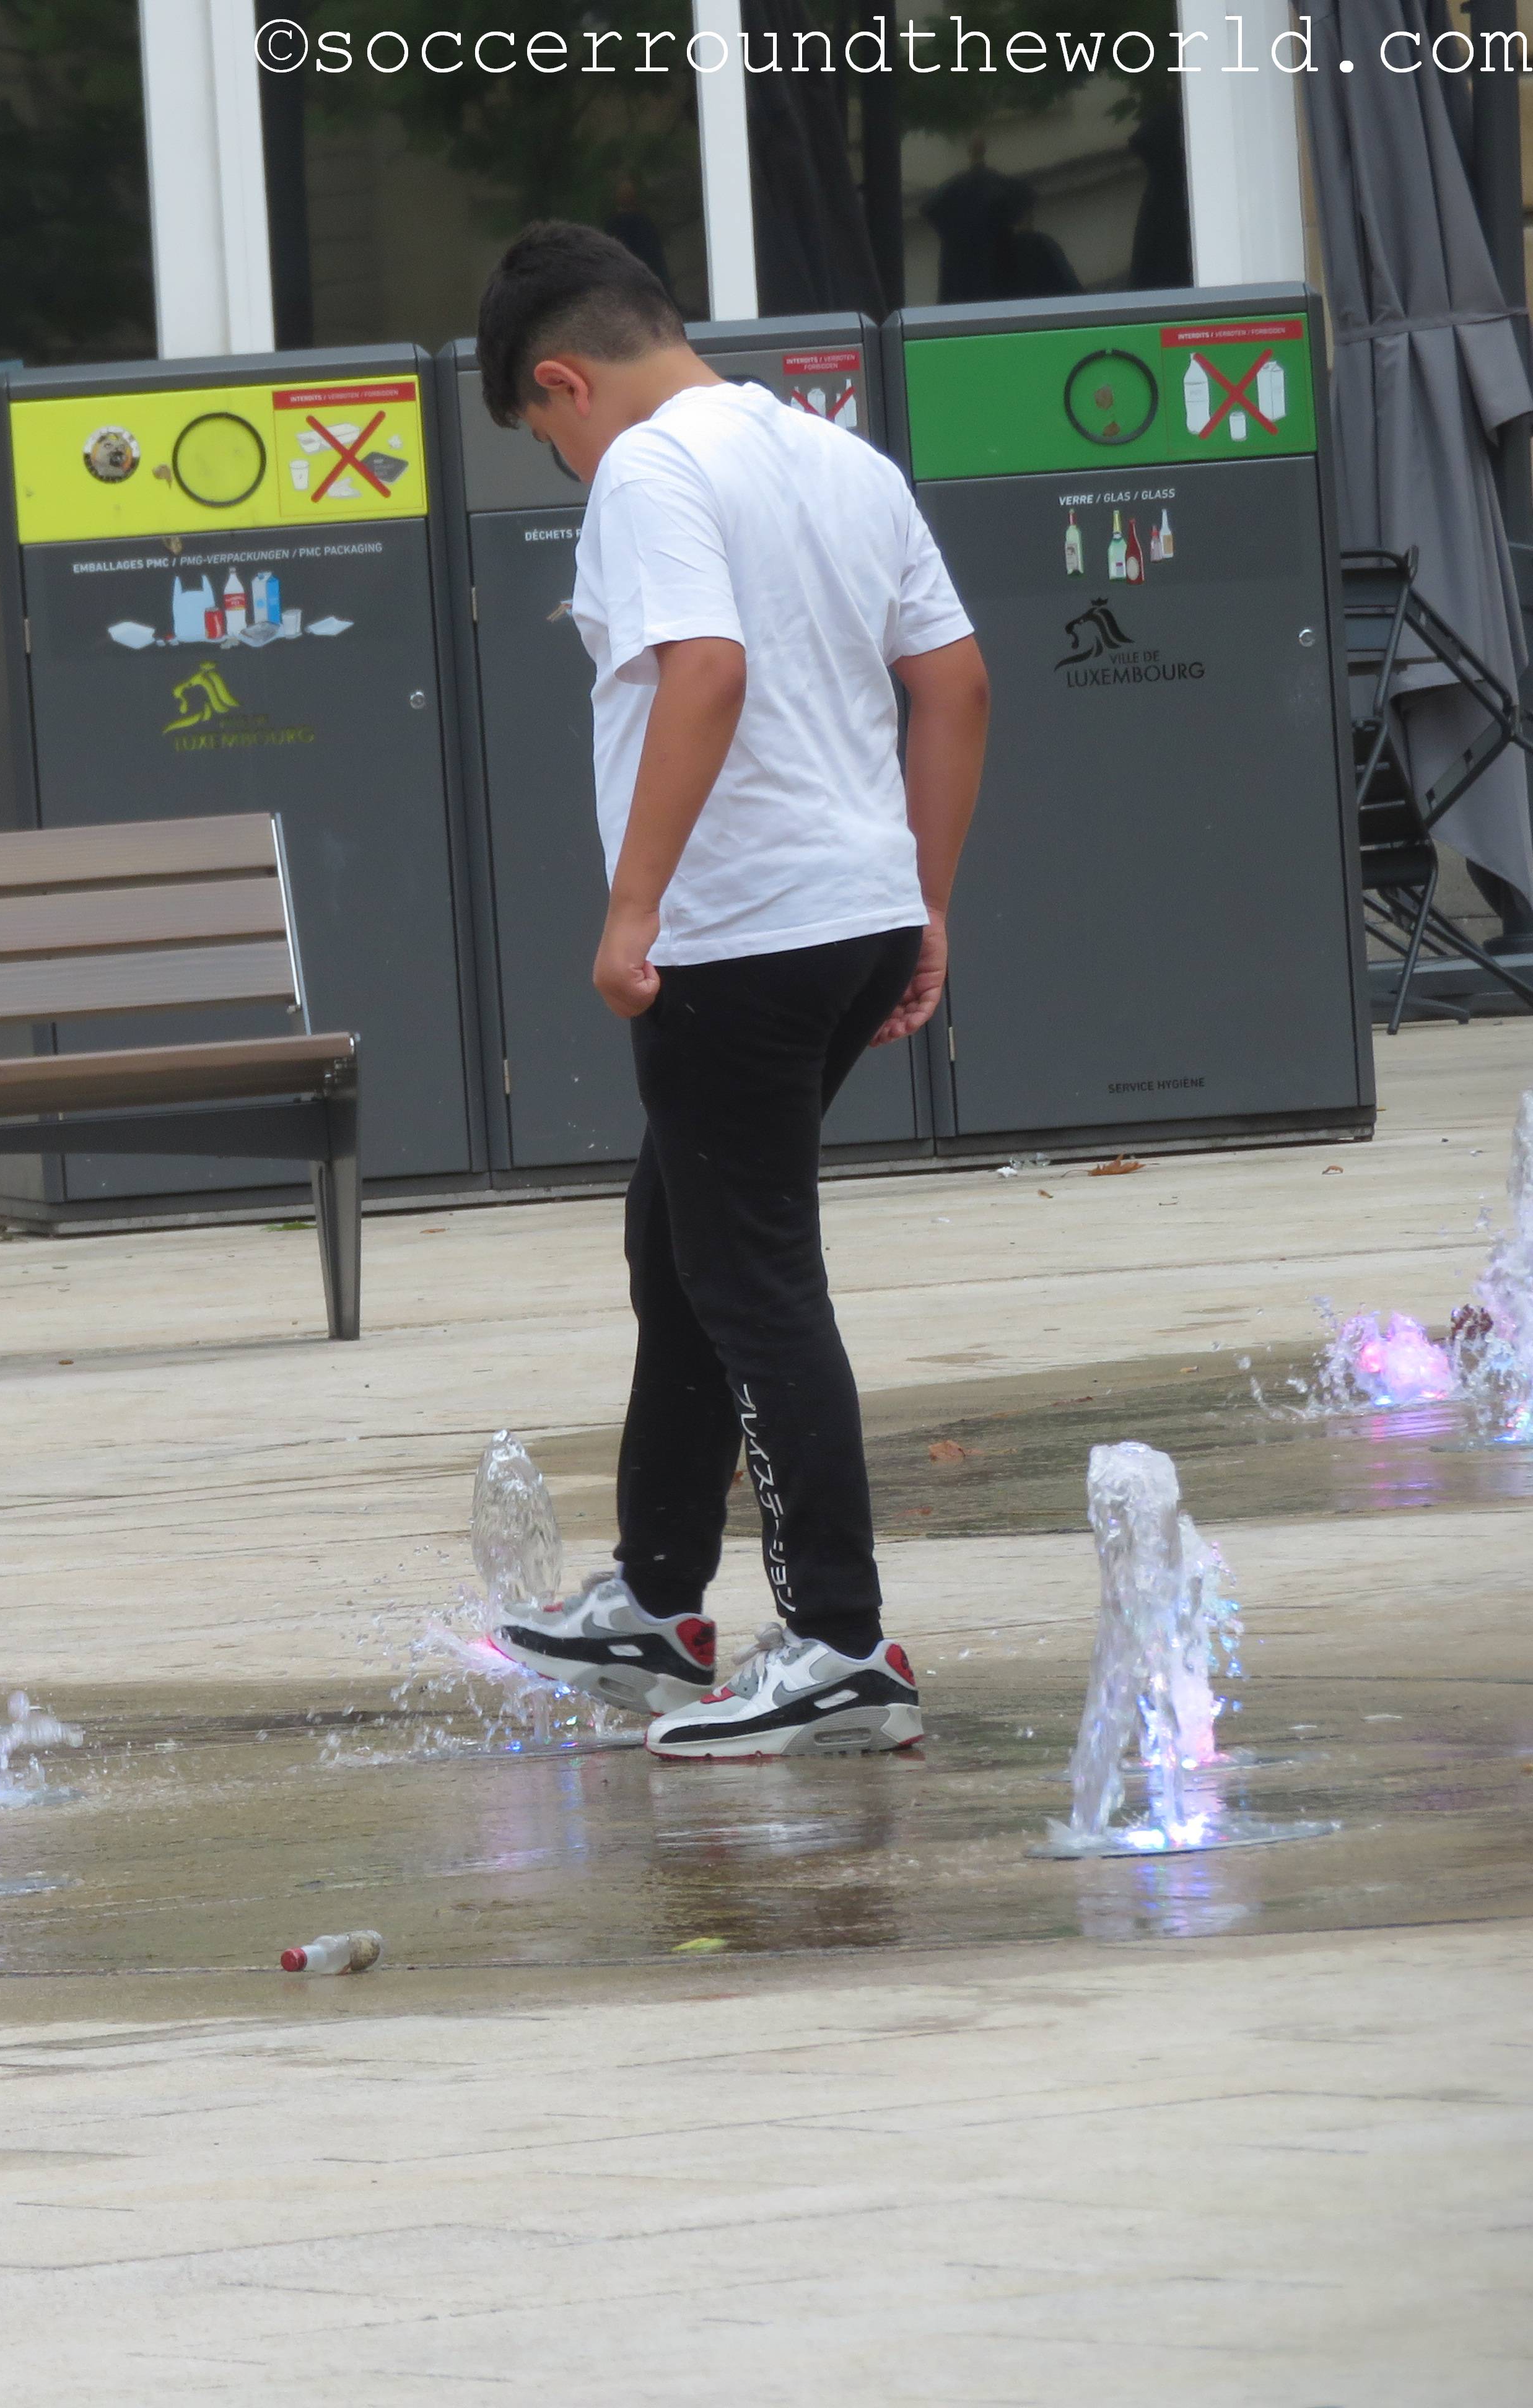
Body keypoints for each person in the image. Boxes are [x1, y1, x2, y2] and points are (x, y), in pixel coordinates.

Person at [473, 222, 990, 1759]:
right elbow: (955, 683)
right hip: (853, 916)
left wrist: (633, 909)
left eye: (545, 436)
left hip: (741, 935)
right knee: (682, 1235)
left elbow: (704, 669)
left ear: (564, 382)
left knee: (752, 1271)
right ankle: (657, 1602)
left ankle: (839, 1640)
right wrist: (924, 901)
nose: (565, 464)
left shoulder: (649, 470)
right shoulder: (840, 457)